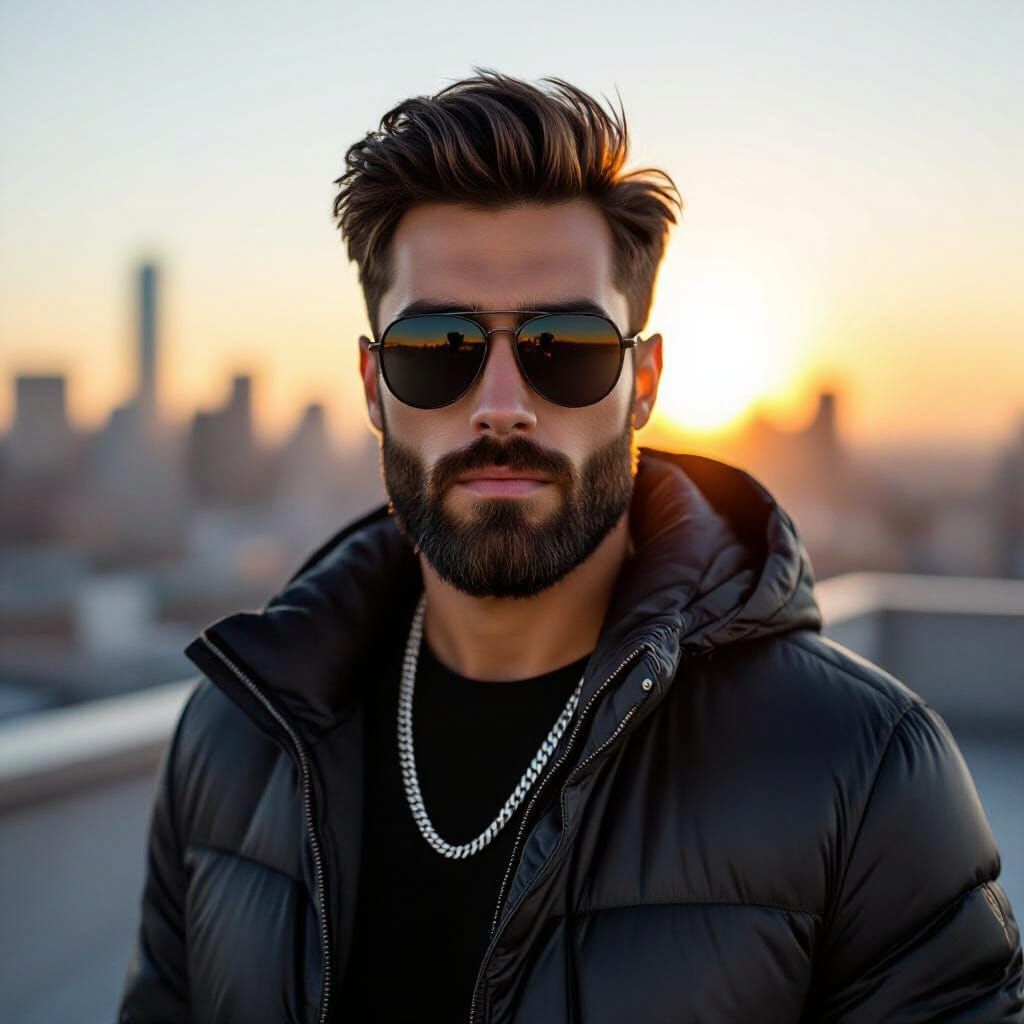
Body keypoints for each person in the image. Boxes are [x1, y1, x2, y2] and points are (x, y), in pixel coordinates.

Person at [117, 69, 1023, 1024]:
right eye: (437, 348)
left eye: (567, 346)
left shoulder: (864, 771)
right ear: (374, 385)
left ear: (644, 382)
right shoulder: (231, 744)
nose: (502, 405)